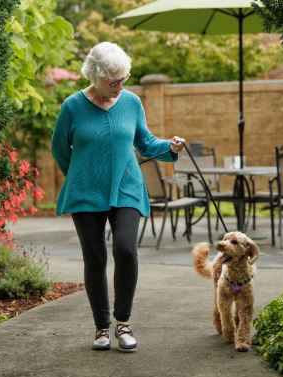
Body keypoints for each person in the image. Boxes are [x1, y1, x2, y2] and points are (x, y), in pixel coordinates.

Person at [51, 42, 184, 351]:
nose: (121, 85)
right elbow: (59, 149)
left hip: (127, 187)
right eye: (115, 81)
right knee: (95, 256)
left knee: (125, 249)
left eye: (124, 78)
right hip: (85, 190)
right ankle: (102, 328)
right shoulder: (72, 106)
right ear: (97, 77)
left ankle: (123, 322)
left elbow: (147, 143)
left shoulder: (131, 102)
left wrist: (171, 146)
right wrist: (81, 174)